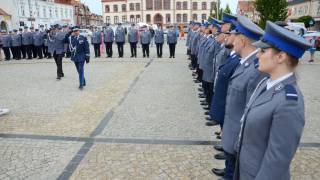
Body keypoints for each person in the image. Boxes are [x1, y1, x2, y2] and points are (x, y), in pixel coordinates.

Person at [234, 21, 310, 180]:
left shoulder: (289, 102)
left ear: (281, 57)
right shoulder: (265, 83)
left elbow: (277, 160)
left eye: (262, 51)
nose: (257, 55)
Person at [212, 15, 266, 180]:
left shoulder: (255, 69)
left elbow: (250, 112)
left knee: (234, 173)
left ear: (242, 41)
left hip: (238, 139)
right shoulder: (244, 63)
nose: (231, 41)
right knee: (231, 170)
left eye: (235, 38)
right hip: (231, 132)